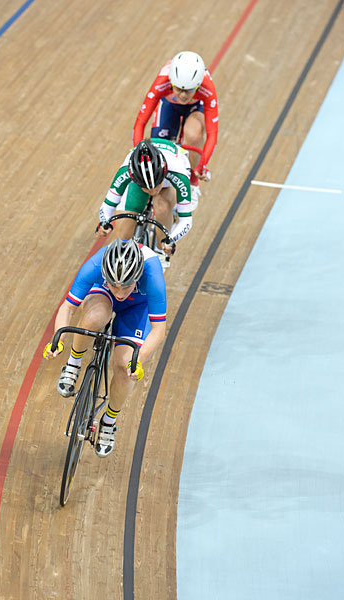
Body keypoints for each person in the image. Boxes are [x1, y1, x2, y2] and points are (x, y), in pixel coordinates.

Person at [43, 238, 166, 457]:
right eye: (114, 283)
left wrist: (137, 361)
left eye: (126, 285)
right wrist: (57, 340)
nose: (119, 291)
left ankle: (109, 421)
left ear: (137, 277)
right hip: (102, 294)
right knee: (94, 318)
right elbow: (68, 307)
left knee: (124, 367)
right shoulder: (96, 263)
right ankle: (74, 364)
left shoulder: (153, 274)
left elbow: (158, 331)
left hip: (137, 307)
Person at [132, 51, 218, 208]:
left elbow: (212, 134)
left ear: (198, 84)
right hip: (169, 105)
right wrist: (137, 152)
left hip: (195, 108)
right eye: (179, 89)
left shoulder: (207, 87)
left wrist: (202, 165)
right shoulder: (162, 82)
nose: (184, 95)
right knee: (157, 147)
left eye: (190, 90)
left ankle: (192, 183)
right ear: (171, 81)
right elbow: (140, 122)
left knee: (193, 134)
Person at [97, 138, 193, 267]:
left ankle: (160, 252)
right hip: (147, 175)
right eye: (146, 188)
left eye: (156, 186)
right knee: (124, 234)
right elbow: (107, 206)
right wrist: (105, 222)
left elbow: (186, 220)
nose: (153, 191)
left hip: (170, 177)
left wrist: (171, 239)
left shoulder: (178, 173)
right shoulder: (125, 171)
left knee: (162, 207)